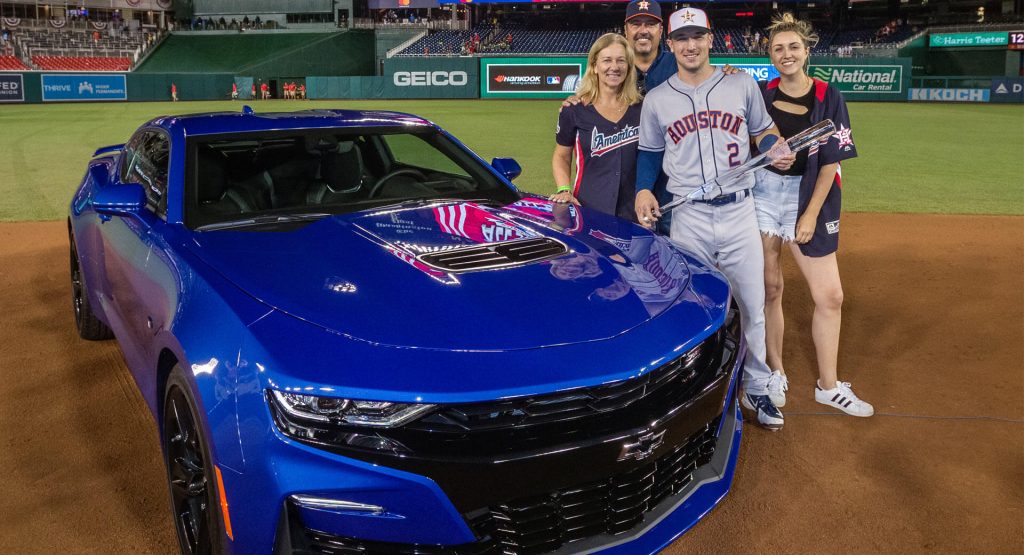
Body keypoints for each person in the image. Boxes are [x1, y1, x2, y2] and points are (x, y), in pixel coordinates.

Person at [634, 7, 795, 431]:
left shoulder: (740, 83)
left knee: (752, 304)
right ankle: (694, 390)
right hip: (688, 215)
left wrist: (773, 146)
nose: (690, 45)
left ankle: (756, 386)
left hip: (740, 209)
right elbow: (649, 152)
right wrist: (644, 188)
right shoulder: (657, 99)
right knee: (692, 307)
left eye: (697, 37)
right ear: (671, 45)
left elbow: (763, 131)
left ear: (710, 39)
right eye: (681, 38)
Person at [753, 13, 873, 417]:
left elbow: (831, 162)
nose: (786, 54)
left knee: (830, 295)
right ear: (770, 55)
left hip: (807, 197)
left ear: (807, 51)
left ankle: (829, 385)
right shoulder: (761, 92)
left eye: (793, 47)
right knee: (769, 288)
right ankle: (775, 372)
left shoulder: (828, 95)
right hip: (763, 195)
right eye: (778, 48)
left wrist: (809, 215)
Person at [552, 33, 642, 222]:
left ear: (628, 66)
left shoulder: (642, 108)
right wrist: (564, 189)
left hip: (634, 211)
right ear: (594, 66)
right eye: (607, 60)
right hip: (588, 209)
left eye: (621, 60)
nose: (614, 67)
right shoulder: (574, 110)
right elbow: (561, 156)